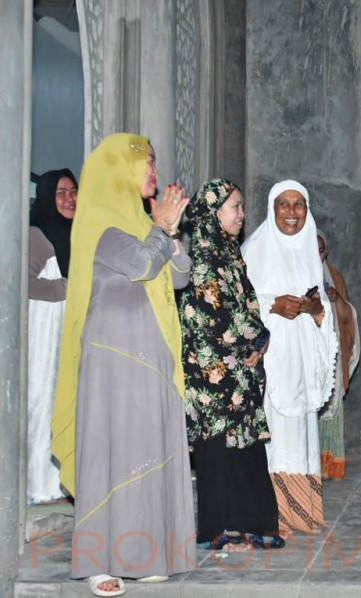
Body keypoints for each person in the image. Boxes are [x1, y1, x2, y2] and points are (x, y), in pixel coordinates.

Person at [51, 134, 196, 596]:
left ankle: (143, 552)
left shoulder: (142, 220)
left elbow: (180, 274)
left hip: (150, 355)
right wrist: (162, 229)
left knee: (145, 451)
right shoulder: (100, 222)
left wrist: (167, 232)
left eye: (155, 162)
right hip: (111, 357)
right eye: (147, 162)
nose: (154, 170)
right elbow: (138, 265)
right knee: (108, 452)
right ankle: (97, 561)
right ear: (119, 168)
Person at [180, 178, 284, 551]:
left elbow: (245, 308)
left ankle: (251, 524)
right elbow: (212, 317)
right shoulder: (205, 258)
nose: (241, 214)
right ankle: (218, 530)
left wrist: (258, 340)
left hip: (236, 370)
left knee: (245, 447)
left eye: (241, 206)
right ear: (212, 212)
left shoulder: (229, 253)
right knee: (218, 452)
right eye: (234, 207)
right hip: (212, 375)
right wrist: (249, 341)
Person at [242, 180, 337, 534]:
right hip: (270, 361)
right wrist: (273, 306)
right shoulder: (255, 249)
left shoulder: (309, 251)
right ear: (272, 208)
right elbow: (242, 305)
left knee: (300, 433)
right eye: (285, 204)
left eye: (299, 204)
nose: (293, 212)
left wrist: (316, 309)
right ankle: (272, 515)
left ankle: (301, 512)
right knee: (275, 438)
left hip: (301, 359)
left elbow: (323, 309)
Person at [27, 169, 77, 505]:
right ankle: (37, 485)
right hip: (42, 334)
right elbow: (21, 283)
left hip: (67, 331)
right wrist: (66, 288)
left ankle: (61, 484)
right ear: (46, 197)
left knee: (65, 407)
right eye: (60, 193)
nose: (70, 199)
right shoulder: (36, 233)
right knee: (40, 403)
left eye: (73, 191)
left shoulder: (78, 232)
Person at [316, 230, 360, 481]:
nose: (317, 255)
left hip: (331, 355)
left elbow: (348, 318)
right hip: (307, 358)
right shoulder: (292, 271)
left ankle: (328, 464)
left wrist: (337, 299)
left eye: (321, 250)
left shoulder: (333, 276)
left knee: (330, 408)